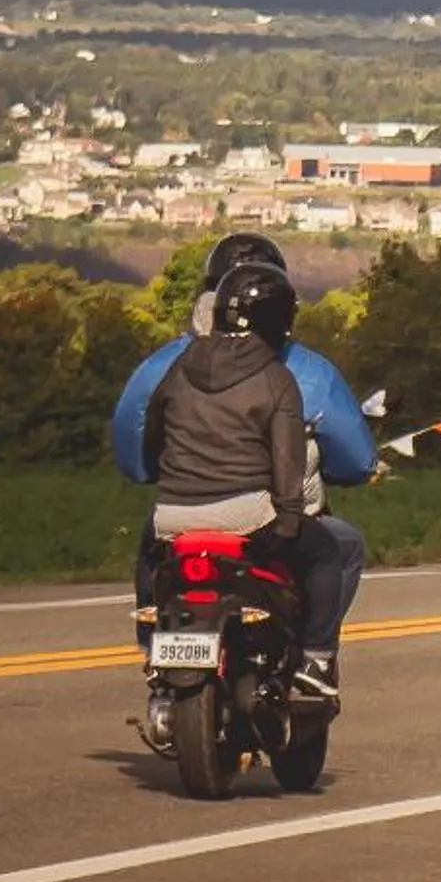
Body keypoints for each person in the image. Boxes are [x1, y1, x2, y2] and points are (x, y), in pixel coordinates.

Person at [112, 234, 373, 693]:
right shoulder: (293, 373)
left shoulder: (169, 365)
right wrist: (292, 513)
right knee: (337, 548)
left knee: (150, 545)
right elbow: (350, 460)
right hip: (255, 515)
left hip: (176, 511)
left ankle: (151, 643)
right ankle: (315, 659)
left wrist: (172, 473)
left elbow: (137, 456)